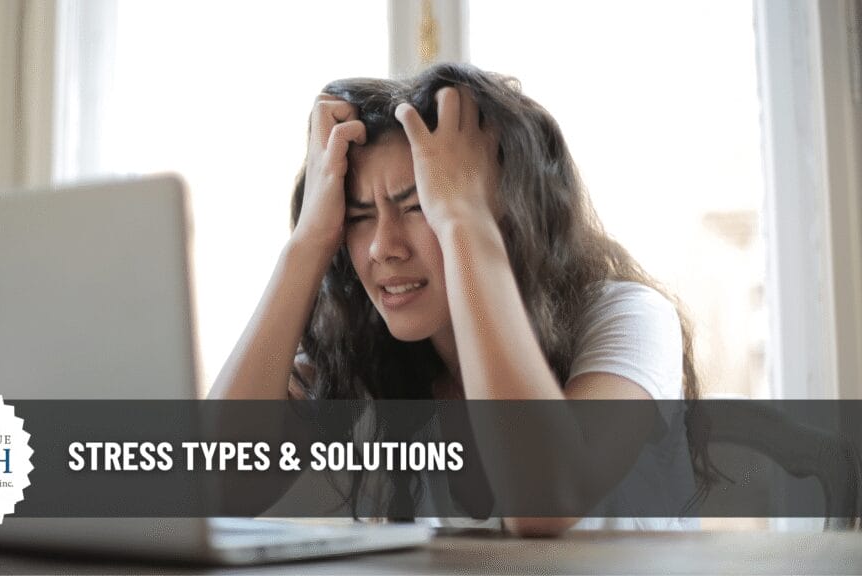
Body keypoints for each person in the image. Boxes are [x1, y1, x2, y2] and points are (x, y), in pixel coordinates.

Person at [209, 62, 706, 536]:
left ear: (511, 212)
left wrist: (464, 219)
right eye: (359, 217)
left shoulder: (629, 317)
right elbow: (214, 486)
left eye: (422, 206)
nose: (383, 247)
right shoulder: (369, 355)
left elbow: (545, 502)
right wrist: (307, 242)